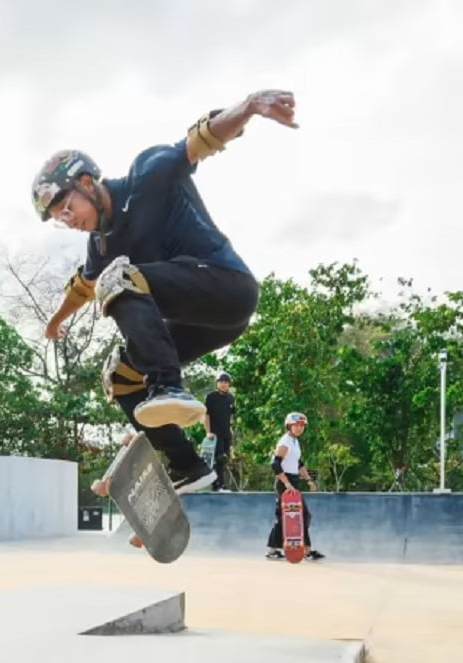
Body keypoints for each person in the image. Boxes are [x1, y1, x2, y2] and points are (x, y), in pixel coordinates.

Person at [32, 89, 299, 494]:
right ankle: (188, 466)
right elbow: (82, 288)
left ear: (87, 183)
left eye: (68, 209)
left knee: (119, 278)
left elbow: (201, 141)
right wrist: (55, 322)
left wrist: (248, 107)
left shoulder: (148, 174)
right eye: (59, 219)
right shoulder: (100, 247)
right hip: (199, 325)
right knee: (120, 376)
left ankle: (168, 386)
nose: (69, 222)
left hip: (226, 286)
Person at [266, 412, 326, 561]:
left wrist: (309, 480)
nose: (299, 428)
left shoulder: (295, 441)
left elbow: (298, 464)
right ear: (289, 425)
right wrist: (287, 484)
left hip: (294, 481)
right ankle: (306, 551)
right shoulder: (285, 441)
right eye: (296, 425)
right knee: (299, 515)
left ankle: (274, 551)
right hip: (284, 482)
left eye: (302, 426)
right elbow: (275, 464)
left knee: (290, 517)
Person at [202, 371, 236, 491]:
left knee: (225, 459)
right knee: (219, 458)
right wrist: (208, 431)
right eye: (221, 382)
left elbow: (231, 417)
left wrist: (231, 432)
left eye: (226, 382)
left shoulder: (231, 398)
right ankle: (217, 485)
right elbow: (206, 415)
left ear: (229, 384)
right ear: (217, 383)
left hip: (226, 433)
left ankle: (222, 484)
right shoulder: (211, 397)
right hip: (215, 434)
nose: (223, 384)